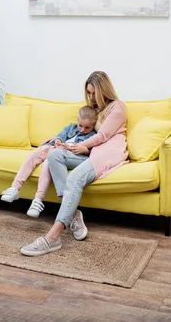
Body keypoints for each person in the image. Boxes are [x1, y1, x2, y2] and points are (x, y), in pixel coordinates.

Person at [20, 71, 128, 256]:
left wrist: (79, 146)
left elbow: (103, 136)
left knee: (74, 179)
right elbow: (76, 130)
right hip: (91, 150)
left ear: (104, 90)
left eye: (94, 93)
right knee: (54, 155)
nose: (91, 97)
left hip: (108, 152)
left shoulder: (117, 108)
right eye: (89, 93)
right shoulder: (93, 109)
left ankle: (52, 238)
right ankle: (73, 214)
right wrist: (60, 142)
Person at [0, 106, 98, 218]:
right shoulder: (71, 127)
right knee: (35, 154)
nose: (82, 130)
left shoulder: (93, 136)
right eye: (80, 125)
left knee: (48, 162)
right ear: (77, 120)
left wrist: (84, 150)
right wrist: (58, 140)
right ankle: (15, 187)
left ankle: (38, 200)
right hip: (53, 148)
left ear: (93, 126)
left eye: (87, 128)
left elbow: (91, 152)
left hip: (62, 155)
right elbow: (60, 136)